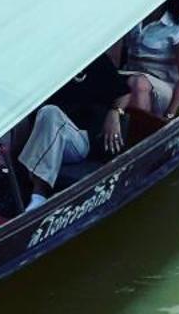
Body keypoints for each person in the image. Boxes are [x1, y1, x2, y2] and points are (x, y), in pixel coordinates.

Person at [18, 49, 131, 209]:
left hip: (80, 140)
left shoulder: (97, 61)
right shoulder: (48, 65)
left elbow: (124, 93)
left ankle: (38, 196)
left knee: (51, 113)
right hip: (45, 137)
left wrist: (115, 113)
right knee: (21, 117)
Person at [124, 0, 179, 119]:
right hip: (131, 73)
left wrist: (171, 113)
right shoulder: (132, 17)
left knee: (139, 84)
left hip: (165, 86)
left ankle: (141, 131)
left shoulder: (178, 27)